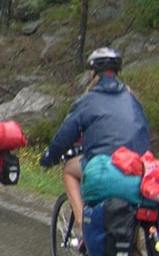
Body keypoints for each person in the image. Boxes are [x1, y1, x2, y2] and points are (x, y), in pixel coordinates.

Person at [38, 46, 151, 245]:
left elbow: (65, 135)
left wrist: (49, 157)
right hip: (137, 165)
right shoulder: (132, 99)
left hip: (104, 163)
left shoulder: (87, 101)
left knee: (68, 170)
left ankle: (84, 227)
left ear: (93, 74)